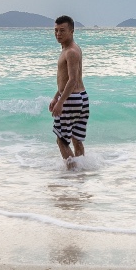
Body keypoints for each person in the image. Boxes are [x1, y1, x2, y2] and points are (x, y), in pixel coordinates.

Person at [48, 15, 88, 167]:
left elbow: (72, 80)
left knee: (61, 140)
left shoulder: (70, 51)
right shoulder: (73, 48)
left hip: (71, 99)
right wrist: (56, 96)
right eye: (56, 30)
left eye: (62, 31)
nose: (58, 34)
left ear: (72, 31)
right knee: (76, 140)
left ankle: (72, 174)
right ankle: (81, 175)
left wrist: (61, 102)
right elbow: (67, 80)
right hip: (81, 98)